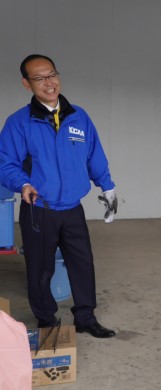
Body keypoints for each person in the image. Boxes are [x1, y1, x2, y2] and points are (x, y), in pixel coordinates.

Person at [0, 54, 118, 337]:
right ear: (27, 84)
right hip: (38, 207)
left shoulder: (79, 116)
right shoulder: (19, 122)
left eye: (51, 74)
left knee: (82, 264)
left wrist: (108, 186)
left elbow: (94, 155)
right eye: (39, 78)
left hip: (72, 208)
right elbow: (6, 164)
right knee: (40, 270)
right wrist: (23, 185)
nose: (48, 83)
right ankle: (46, 320)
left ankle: (86, 318)